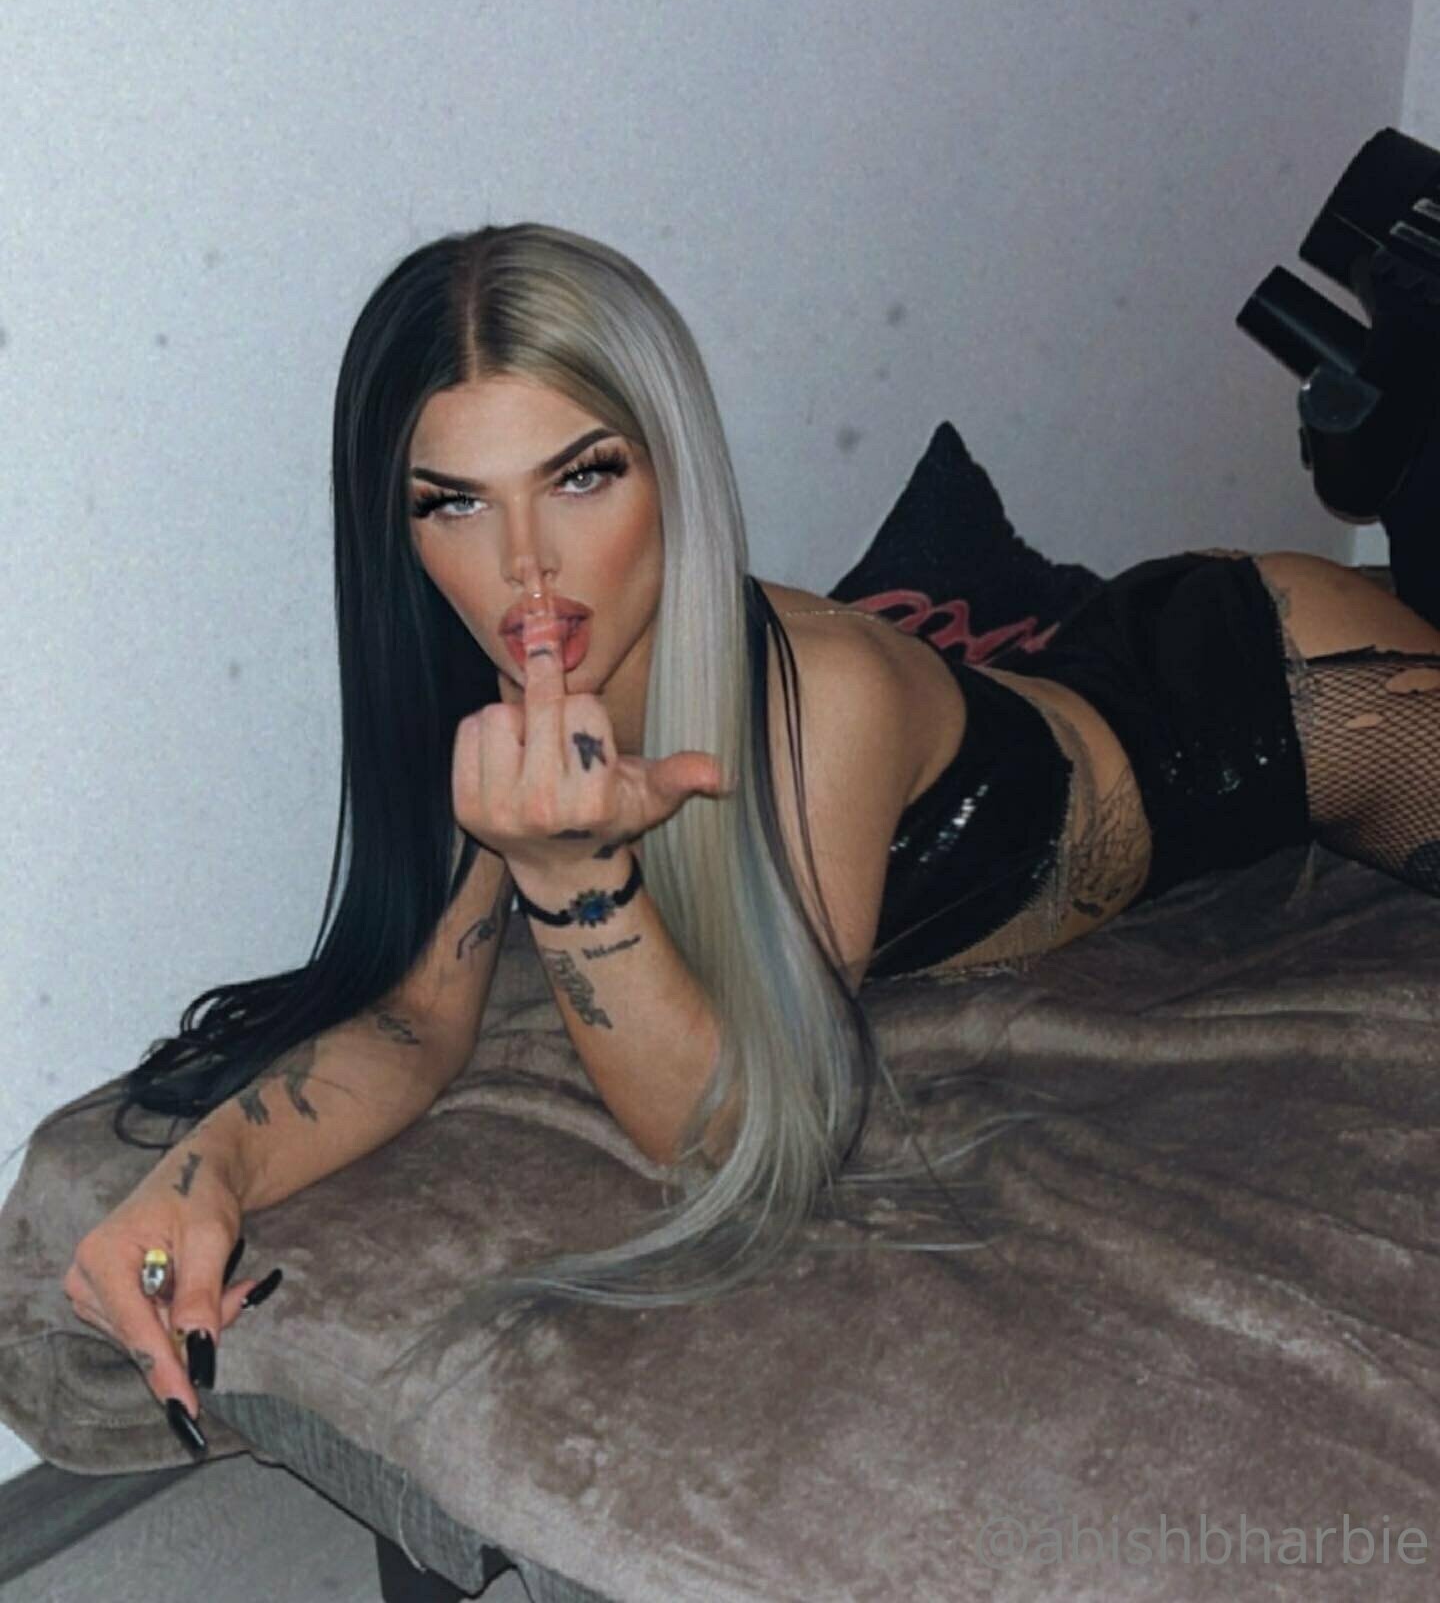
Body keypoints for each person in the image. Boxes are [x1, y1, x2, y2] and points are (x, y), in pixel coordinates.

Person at [41, 223, 1440, 1463]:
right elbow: (419, 1015)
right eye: (455, 501)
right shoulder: (489, 684)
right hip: (1068, 666)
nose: (525, 566)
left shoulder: (816, 695)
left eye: (582, 477)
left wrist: (576, 885)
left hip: (1280, 693)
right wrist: (202, 1177)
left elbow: (737, 1136)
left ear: (674, 469)